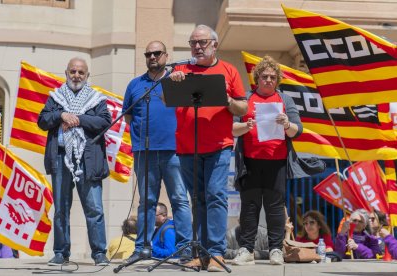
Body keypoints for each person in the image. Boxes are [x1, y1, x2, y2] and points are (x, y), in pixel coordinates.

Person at [169, 24, 247, 272]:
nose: (197, 47)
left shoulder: (229, 70)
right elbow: (164, 99)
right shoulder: (181, 69)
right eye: (193, 43)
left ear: (215, 45)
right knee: (197, 200)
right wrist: (172, 82)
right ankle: (200, 253)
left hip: (218, 146)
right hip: (186, 147)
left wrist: (228, 101)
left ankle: (215, 253)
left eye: (202, 42)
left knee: (215, 197)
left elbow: (243, 109)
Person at [121, 41, 192, 264]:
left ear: (165, 55)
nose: (152, 57)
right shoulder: (135, 85)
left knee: (179, 199)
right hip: (145, 151)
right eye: (148, 53)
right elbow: (128, 117)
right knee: (146, 201)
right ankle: (142, 247)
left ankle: (185, 248)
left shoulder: (176, 80)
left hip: (174, 150)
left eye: (157, 53)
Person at [37, 57, 111, 266]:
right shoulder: (56, 98)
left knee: (94, 208)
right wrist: (61, 114)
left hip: (88, 160)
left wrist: (77, 118)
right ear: (66, 73)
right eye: (73, 72)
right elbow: (42, 120)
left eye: (81, 72)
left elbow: (105, 121)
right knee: (61, 208)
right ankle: (61, 252)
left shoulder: (97, 98)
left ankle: (99, 253)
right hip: (61, 158)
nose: (76, 76)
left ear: (87, 76)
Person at [232, 55, 302, 266]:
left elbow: (297, 132)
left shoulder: (285, 100)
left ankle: (276, 250)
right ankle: (246, 250)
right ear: (257, 79)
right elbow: (232, 128)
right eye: (264, 76)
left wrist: (287, 123)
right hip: (250, 162)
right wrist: (247, 126)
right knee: (249, 207)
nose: (269, 80)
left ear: (277, 80)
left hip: (277, 162)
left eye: (273, 77)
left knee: (274, 207)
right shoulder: (245, 99)